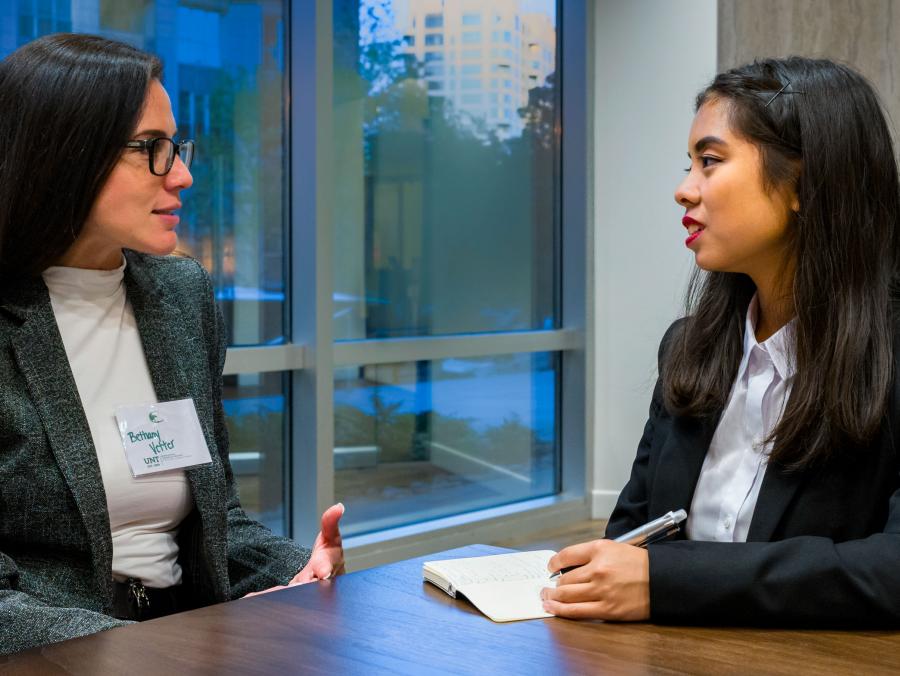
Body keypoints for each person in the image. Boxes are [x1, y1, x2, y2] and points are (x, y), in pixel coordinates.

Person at [0, 34, 344, 655]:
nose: (182, 174)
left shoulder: (179, 294)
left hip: (188, 640)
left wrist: (296, 573)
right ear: (64, 154)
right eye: (152, 149)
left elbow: (218, 521)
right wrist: (137, 649)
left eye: (176, 147)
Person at [543, 56, 900, 626]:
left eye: (710, 161)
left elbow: (889, 570)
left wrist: (672, 582)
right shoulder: (688, 348)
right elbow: (629, 539)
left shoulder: (887, 356)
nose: (684, 192)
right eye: (689, 164)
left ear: (803, 182)